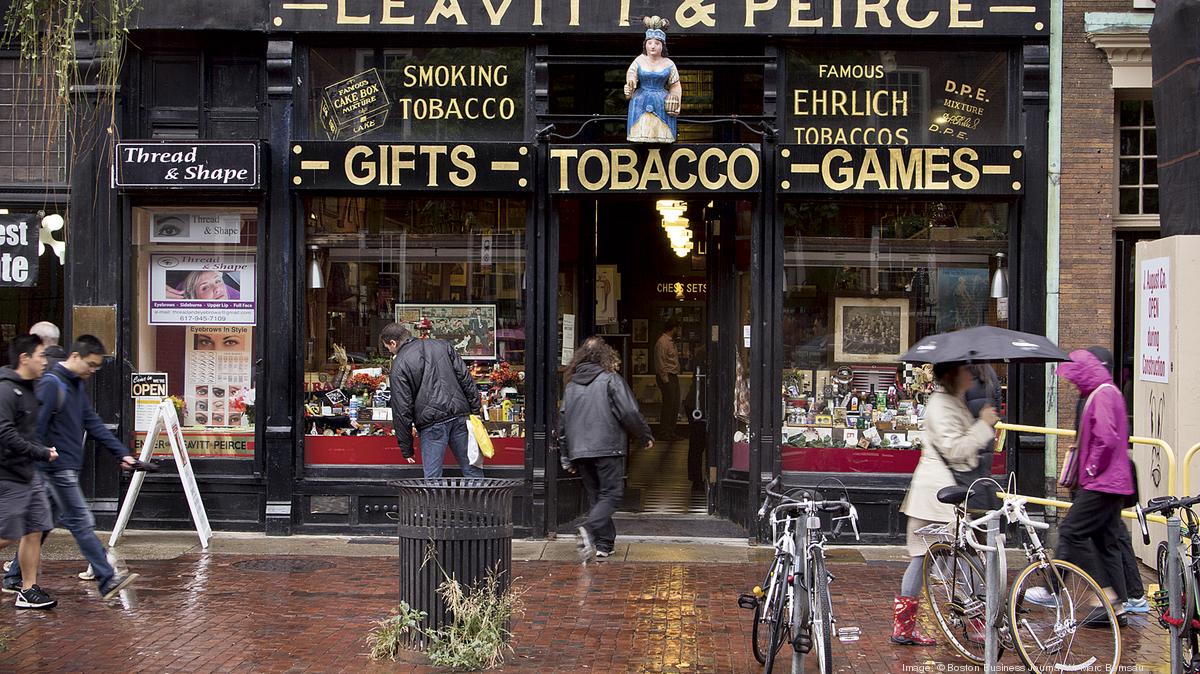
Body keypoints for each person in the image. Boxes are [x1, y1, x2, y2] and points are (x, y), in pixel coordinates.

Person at [1, 336, 139, 600]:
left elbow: (94, 423)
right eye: (90, 364)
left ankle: (14, 577)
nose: (92, 370)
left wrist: (123, 454)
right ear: (75, 356)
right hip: (54, 468)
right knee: (79, 521)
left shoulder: (75, 386)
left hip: (60, 467)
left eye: (97, 367)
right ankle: (106, 579)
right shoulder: (51, 384)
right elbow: (32, 428)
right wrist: (39, 457)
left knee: (37, 528)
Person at [1026, 347, 1141, 622]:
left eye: (1075, 377)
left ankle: (1104, 594)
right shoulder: (1109, 391)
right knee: (1107, 541)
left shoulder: (1100, 395)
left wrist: (1089, 469)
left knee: (1071, 531)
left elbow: (1105, 438)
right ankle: (1118, 605)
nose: (1072, 382)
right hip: (1113, 482)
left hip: (1101, 482)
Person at [894, 362, 999, 646]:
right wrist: (983, 425)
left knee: (923, 559)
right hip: (940, 494)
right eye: (967, 372)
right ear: (953, 374)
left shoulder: (950, 401)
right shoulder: (942, 404)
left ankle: (903, 628)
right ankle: (978, 623)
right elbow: (955, 449)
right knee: (963, 556)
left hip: (933, 492)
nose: (971, 376)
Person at [559, 337, 653, 562]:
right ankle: (589, 530)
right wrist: (644, 435)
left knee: (596, 497)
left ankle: (604, 545)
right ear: (605, 356)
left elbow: (562, 421)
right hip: (607, 447)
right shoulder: (610, 379)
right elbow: (629, 412)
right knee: (611, 494)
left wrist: (566, 456)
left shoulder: (571, 386)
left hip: (579, 451)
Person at [0, 334, 59, 609]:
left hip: (28, 473)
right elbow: (5, 434)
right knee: (7, 534)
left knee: (35, 528)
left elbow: (27, 432)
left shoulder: (29, 389)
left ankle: (28, 589)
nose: (44, 362)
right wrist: (41, 452)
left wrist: (41, 449)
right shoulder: (5, 390)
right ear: (25, 358)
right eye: (41, 356)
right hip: (8, 474)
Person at [382, 322, 483, 478]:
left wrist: (406, 447)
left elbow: (402, 409)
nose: (389, 351)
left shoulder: (399, 364)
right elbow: (466, 379)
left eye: (388, 347)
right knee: (472, 469)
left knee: (433, 477)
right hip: (459, 415)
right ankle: (481, 502)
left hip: (431, 423)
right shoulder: (442, 345)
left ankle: (434, 504)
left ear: (394, 343)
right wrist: (475, 410)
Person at [623, 16, 682, 143]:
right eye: (650, 43)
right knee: (642, 127)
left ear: (662, 46)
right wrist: (630, 83)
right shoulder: (639, 60)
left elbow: (675, 85)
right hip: (640, 100)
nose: (653, 46)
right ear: (645, 45)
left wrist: (675, 101)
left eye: (657, 43)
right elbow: (631, 74)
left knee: (661, 130)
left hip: (661, 100)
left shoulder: (669, 63)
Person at [962, 363, 1002, 511]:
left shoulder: (962, 375)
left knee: (970, 488)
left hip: (970, 439)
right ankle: (984, 524)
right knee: (983, 478)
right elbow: (997, 405)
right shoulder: (989, 370)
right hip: (986, 437)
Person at [654, 320, 681, 441]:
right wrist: (665, 379)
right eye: (677, 329)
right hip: (667, 376)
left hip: (673, 376)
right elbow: (660, 361)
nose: (679, 331)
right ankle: (664, 432)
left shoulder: (671, 342)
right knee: (669, 405)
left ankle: (671, 431)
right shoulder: (662, 342)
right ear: (673, 328)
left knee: (675, 404)